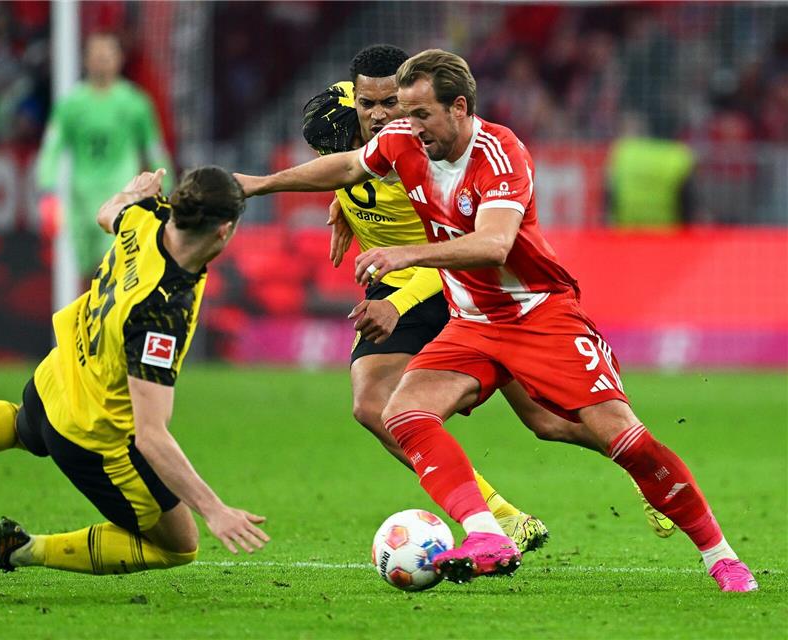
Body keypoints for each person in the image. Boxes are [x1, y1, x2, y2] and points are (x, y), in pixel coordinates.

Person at [235, 49, 756, 592]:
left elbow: (494, 244)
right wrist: (258, 184)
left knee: (618, 438)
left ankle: (720, 557)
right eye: (403, 114)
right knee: (403, 414)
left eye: (420, 114)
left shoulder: (501, 154)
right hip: (472, 321)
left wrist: (405, 255)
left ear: (459, 108)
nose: (407, 127)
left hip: (538, 314)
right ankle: (489, 533)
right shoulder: (404, 141)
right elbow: (348, 166)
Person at [302, 45, 675, 544]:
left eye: (394, 103)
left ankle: (643, 466)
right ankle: (500, 517)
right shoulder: (348, 119)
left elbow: (463, 244)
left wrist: (397, 302)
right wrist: (342, 205)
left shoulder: (442, 150)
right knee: (373, 405)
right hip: (401, 275)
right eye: (368, 104)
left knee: (546, 421)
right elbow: (347, 168)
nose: (380, 114)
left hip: (456, 280)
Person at [0, 166, 270, 575]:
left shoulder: (145, 218)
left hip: (56, 378)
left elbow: (107, 212)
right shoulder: (162, 313)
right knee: (180, 545)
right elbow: (150, 437)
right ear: (224, 230)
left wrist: (132, 193)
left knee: (19, 426)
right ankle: (24, 548)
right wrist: (214, 509)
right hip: (91, 435)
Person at [36, 33, 175, 275]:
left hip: (120, 195)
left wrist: (168, 187)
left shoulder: (135, 103)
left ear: (119, 59)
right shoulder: (70, 105)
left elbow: (154, 149)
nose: (102, 61)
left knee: (114, 267)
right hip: (81, 200)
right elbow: (51, 149)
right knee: (87, 271)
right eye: (96, 55)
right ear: (86, 60)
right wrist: (48, 191)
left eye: (107, 55)